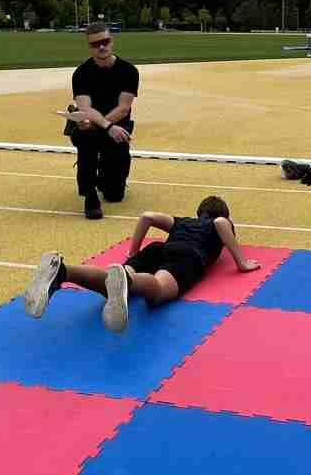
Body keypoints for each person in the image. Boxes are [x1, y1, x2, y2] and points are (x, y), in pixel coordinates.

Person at [22, 196, 260, 333]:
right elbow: (220, 222)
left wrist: (133, 251)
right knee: (157, 288)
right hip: (187, 257)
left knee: (110, 281)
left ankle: (63, 271)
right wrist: (242, 262)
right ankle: (127, 279)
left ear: (198, 213)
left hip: (157, 248)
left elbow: (147, 216)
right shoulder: (219, 224)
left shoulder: (182, 221)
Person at [57, 21, 139, 219]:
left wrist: (106, 126)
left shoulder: (128, 71)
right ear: (89, 46)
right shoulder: (81, 73)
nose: (101, 46)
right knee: (87, 139)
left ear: (112, 41)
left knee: (114, 195)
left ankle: (105, 175)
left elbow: (123, 108)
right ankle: (90, 195)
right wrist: (104, 126)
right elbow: (85, 108)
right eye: (95, 44)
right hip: (90, 124)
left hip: (116, 125)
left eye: (105, 41)